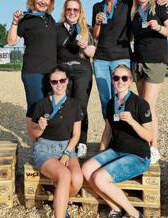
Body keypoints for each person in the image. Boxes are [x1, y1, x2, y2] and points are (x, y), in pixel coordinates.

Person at [82, 64, 153, 218]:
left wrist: (133, 122)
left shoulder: (140, 104)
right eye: (116, 78)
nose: (120, 81)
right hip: (115, 150)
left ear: (130, 81)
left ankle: (134, 214)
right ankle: (115, 208)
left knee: (99, 178)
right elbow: (107, 130)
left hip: (137, 155)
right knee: (86, 169)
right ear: (112, 81)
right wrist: (101, 153)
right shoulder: (110, 103)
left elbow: (149, 136)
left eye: (124, 78)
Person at [92, 0, 168, 119]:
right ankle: (110, 133)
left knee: (121, 97)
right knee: (105, 100)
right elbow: (96, 36)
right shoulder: (97, 6)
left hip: (121, 57)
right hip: (101, 59)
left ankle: (120, 132)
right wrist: (97, 23)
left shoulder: (127, 3)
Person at [29, 66, 83, 218]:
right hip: (45, 147)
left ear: (67, 81)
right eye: (54, 81)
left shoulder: (75, 104)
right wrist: (39, 127)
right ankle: (59, 214)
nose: (59, 84)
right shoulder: (41, 104)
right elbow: (33, 133)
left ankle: (59, 204)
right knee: (65, 175)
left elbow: (76, 134)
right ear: (50, 83)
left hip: (67, 146)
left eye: (62, 80)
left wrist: (66, 153)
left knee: (77, 179)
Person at [131, 0, 168, 164]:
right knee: (142, 105)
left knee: (148, 106)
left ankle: (154, 147)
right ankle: (144, 143)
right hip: (138, 61)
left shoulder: (160, 6)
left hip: (155, 60)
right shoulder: (134, 11)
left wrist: (158, 27)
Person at [7, 0, 57, 143]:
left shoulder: (50, 19)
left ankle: (47, 141)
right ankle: (37, 146)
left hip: (51, 73)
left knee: (49, 108)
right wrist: (15, 22)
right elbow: (11, 41)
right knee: (35, 109)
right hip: (33, 71)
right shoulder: (26, 19)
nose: (43, 1)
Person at [57, 0, 96, 157]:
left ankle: (81, 142)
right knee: (62, 106)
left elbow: (93, 52)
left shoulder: (87, 29)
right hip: (62, 70)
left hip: (82, 70)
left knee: (80, 107)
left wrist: (85, 46)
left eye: (76, 9)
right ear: (64, 11)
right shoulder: (56, 28)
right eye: (69, 9)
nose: (72, 12)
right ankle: (65, 140)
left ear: (80, 12)